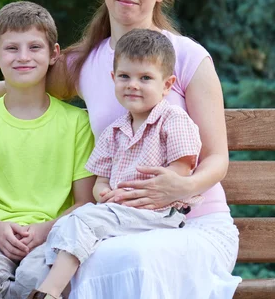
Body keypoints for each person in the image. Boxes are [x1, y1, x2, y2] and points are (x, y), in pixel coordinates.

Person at [0, 0, 241, 298]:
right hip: (116, 224)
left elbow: (217, 158)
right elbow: (24, 78)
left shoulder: (187, 57)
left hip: (191, 223)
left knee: (128, 259)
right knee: (85, 259)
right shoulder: (86, 62)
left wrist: (184, 185)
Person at [28, 29, 204, 299]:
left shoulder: (173, 120)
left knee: (82, 220)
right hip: (118, 212)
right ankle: (47, 285)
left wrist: (136, 194)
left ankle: (49, 293)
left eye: (145, 78)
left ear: (167, 85)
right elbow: (100, 182)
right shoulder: (114, 131)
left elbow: (181, 170)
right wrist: (105, 193)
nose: (133, 84)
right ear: (113, 79)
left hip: (158, 212)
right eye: (125, 76)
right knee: (67, 225)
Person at [0, 1, 96, 299]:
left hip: (55, 234)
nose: (23, 57)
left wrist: (44, 230)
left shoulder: (77, 123)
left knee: (37, 279)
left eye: (35, 47)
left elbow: (85, 203)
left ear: (54, 54)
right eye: (12, 49)